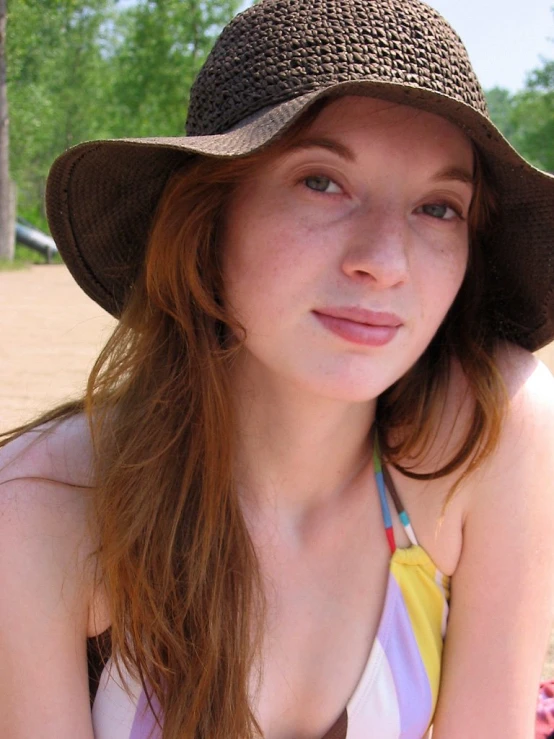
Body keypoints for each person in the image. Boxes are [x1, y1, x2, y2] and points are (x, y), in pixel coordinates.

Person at [2, 0, 554, 737]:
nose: (386, 262)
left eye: (438, 207)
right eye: (321, 181)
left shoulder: (494, 436)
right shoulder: (46, 507)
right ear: (207, 219)